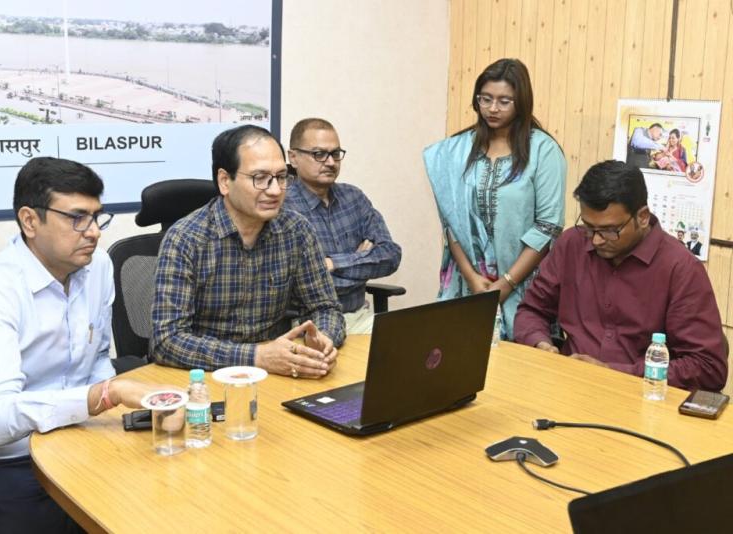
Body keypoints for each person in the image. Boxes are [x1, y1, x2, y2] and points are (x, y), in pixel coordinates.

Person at [0, 157, 158, 533]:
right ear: (30, 221)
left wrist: (116, 414)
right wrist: (101, 396)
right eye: (77, 218)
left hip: (69, 441)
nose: (93, 232)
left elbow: (97, 360)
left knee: (151, 493)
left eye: (96, 217)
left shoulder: (98, 267)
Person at [150, 125, 345, 378]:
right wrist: (256, 357)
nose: (275, 190)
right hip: (205, 377)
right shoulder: (186, 239)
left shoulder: (296, 231)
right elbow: (167, 341)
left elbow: (325, 308)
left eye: (281, 177)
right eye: (260, 178)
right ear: (225, 181)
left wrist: (322, 338)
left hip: (278, 374)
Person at [514, 160, 727, 391]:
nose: (596, 240)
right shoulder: (572, 245)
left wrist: (613, 373)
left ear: (642, 217)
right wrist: (541, 344)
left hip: (643, 398)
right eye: (589, 227)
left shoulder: (680, 268)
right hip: (570, 387)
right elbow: (531, 310)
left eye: (609, 231)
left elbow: (708, 367)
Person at [423, 58, 566, 339]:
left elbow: (548, 226)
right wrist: (472, 278)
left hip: (522, 284)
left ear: (521, 102)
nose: (492, 108)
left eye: (504, 101)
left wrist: (507, 283)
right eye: (485, 99)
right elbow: (451, 219)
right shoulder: (457, 150)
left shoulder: (543, 150)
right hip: (467, 285)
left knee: (519, 361)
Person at [283, 118, 401, 334]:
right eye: (319, 154)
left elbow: (391, 256)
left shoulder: (354, 198)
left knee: (417, 341)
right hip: (308, 325)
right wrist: (360, 262)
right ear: (293, 157)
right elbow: (295, 284)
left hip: (360, 316)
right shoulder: (281, 206)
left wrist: (332, 263)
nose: (330, 162)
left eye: (335, 153)